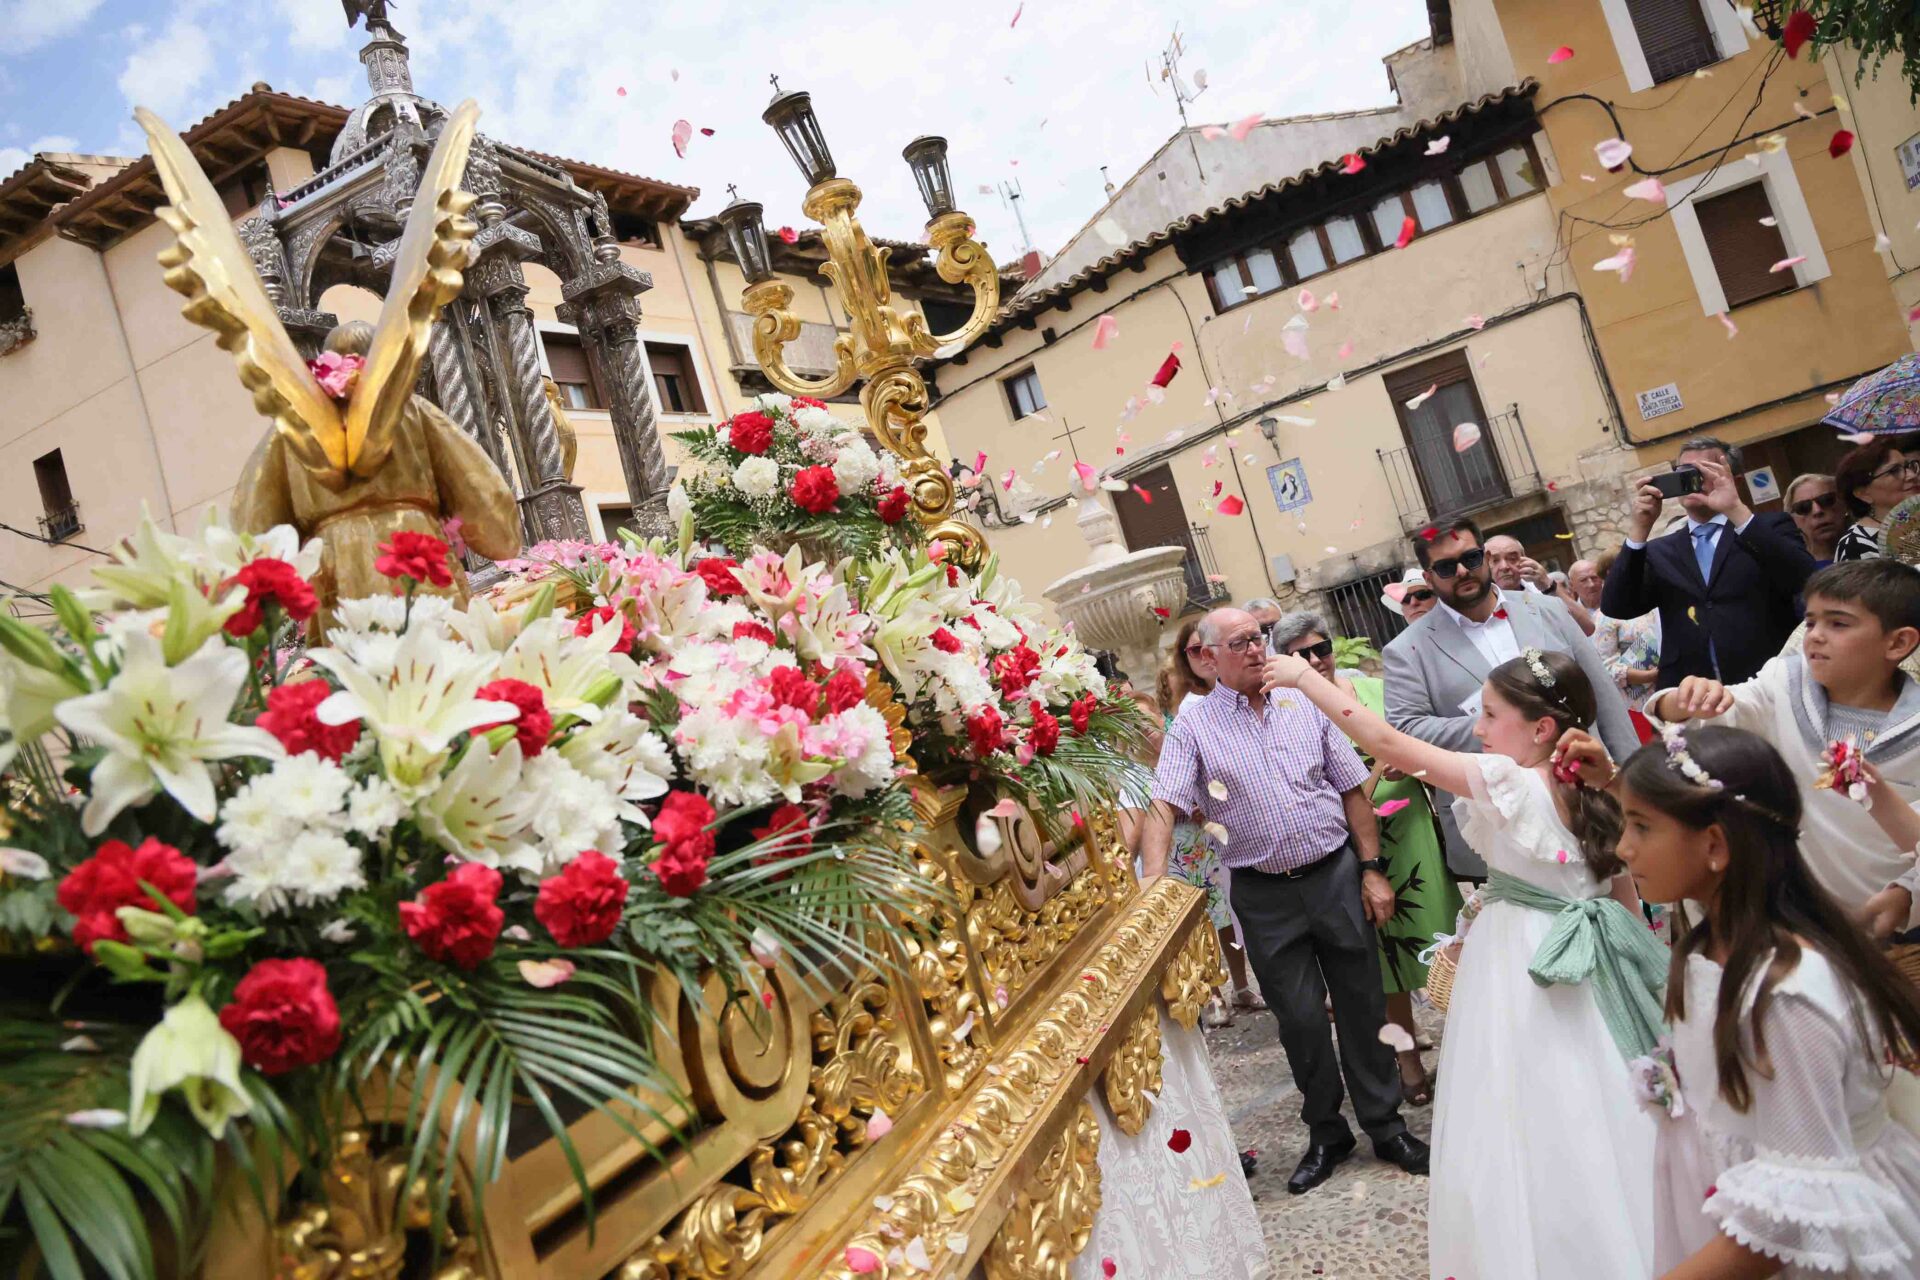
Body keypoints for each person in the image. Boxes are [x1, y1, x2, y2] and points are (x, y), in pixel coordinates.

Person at [1265, 646, 1662, 1280]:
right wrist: (1642, 957)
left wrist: (1304, 677)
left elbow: (1390, 745)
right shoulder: (1598, 788)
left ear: (1540, 729)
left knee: (1523, 1099)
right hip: (1598, 951)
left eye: (1489, 715)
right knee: (1603, 1087)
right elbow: (1622, 890)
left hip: (1528, 959)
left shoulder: (1509, 781)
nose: (1477, 729)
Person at [1555, 725, 1920, 1278]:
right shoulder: (1712, 928)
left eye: (1641, 827)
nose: (1624, 847)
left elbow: (1793, 1216)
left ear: (1717, 846)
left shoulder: (1787, 999)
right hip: (1733, 1208)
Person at [1142, 607, 1429, 1194]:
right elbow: (1164, 804)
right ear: (1208, 657)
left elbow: (1353, 790)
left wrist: (1372, 870)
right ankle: (1327, 1132)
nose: (1255, 649)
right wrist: (1151, 879)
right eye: (1240, 642)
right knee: (1299, 1020)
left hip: (1335, 875)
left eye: (1259, 637)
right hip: (1263, 893)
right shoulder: (1194, 725)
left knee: (1361, 1005)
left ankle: (1384, 1124)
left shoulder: (1305, 700)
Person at [1643, 559, 1920, 913]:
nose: (1816, 634)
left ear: (1898, 643)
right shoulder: (1786, 683)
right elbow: (1727, 709)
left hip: (1895, 920)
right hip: (1803, 918)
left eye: (1838, 623)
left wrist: (1908, 893)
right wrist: (1680, 701)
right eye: (1811, 621)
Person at [1272, 609, 1462, 1108]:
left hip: (1411, 835)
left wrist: (1407, 767)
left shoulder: (1377, 694)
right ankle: (1408, 1062)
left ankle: (1469, 1047)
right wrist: (1374, 776)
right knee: (1384, 964)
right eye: (1301, 655)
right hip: (1350, 848)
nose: (1316, 660)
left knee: (1443, 940)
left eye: (1321, 649)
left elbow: (1419, 748)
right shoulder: (1287, 715)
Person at [1382, 518, 1642, 879]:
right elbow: (1406, 730)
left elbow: (1604, 697)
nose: (1462, 571)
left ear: (1486, 558)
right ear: (1428, 578)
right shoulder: (1408, 650)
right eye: (1445, 566)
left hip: (1589, 798)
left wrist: (1632, 784)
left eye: (1471, 558)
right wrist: (1505, 723)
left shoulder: (1548, 611)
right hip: (1500, 823)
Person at [1601, 435, 1818, 689]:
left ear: (1734, 480)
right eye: (1684, 473)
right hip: (1692, 692)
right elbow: (1617, 606)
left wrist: (1735, 509)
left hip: (1769, 683)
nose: (1693, 482)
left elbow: (1806, 579)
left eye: (1705, 472)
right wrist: (1639, 530)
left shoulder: (1765, 528)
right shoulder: (1661, 550)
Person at [1156, 617, 1262, 1024]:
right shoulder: (1186, 710)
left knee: (1228, 912)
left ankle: (1241, 984)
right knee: (1203, 913)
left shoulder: (1233, 694)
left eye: (1208, 647)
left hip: (1222, 829)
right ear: (1188, 658)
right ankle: (1213, 993)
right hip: (1191, 830)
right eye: (1193, 650)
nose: (1203, 656)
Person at [1578, 549, 1662, 698]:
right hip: (1641, 699)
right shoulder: (1604, 615)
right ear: (1613, 573)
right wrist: (1650, 675)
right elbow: (1606, 666)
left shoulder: (1655, 599)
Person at [1487, 533, 1594, 635]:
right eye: (1495, 561)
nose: (1504, 566)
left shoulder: (1542, 589)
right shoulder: (1481, 605)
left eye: (1512, 559)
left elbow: (1588, 627)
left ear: (1525, 560)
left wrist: (1546, 584)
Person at [1833, 438, 1920, 563]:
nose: (1912, 475)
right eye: (1894, 471)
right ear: (1863, 493)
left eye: (1909, 466)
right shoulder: (1856, 545)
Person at [1785, 471, 1846, 567]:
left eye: (1827, 500)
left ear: (1844, 503)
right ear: (1793, 519)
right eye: (1803, 507)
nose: (1817, 511)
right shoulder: (1795, 571)